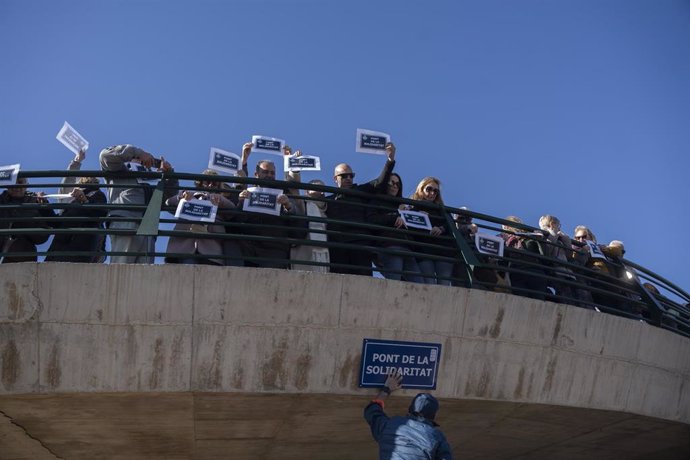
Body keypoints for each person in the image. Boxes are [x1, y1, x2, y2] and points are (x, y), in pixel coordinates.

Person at [99, 144, 178, 264]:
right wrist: (138, 152)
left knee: (145, 275)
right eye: (137, 159)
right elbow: (105, 156)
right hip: (125, 221)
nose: (141, 162)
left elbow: (168, 200)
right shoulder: (118, 170)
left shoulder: (149, 182)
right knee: (121, 268)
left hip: (149, 227)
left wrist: (169, 176)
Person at [326, 143, 396, 276]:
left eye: (351, 175)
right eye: (344, 176)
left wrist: (390, 160)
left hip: (360, 243)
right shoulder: (328, 198)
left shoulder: (360, 191)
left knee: (363, 282)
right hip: (337, 245)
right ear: (335, 179)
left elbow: (380, 182)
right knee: (338, 281)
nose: (348, 178)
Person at [364, 372, 453, 460]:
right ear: (432, 416)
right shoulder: (436, 436)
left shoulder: (389, 426)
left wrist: (387, 389)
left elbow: (372, 411)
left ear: (410, 409)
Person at [237, 142, 299, 269]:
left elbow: (296, 221)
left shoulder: (283, 192)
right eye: (266, 172)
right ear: (256, 174)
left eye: (272, 173)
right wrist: (241, 202)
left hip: (275, 250)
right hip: (250, 249)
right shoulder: (248, 192)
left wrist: (288, 205)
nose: (270, 176)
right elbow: (237, 219)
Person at [164, 170, 239, 266]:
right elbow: (168, 203)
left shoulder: (220, 201)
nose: (211, 185)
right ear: (200, 184)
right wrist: (181, 197)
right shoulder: (189, 196)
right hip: (184, 248)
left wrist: (220, 200)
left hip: (211, 250)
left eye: (215, 183)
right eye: (207, 182)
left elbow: (233, 211)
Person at [46, 149, 108, 262]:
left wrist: (84, 200)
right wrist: (44, 204)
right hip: (60, 247)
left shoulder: (96, 194)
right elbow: (57, 222)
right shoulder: (71, 198)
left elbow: (100, 212)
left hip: (82, 247)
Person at [369, 172, 422, 282]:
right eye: (391, 182)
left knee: (420, 286)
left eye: (398, 184)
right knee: (395, 284)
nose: (395, 186)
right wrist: (395, 216)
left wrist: (418, 216)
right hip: (390, 245)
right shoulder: (377, 201)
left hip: (407, 247)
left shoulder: (404, 204)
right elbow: (373, 219)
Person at [408, 177, 454, 286]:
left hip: (443, 251)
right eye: (429, 189)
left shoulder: (442, 209)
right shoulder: (412, 206)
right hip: (423, 250)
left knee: (444, 285)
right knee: (429, 284)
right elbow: (409, 225)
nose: (432, 193)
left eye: (435, 191)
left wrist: (441, 229)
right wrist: (419, 216)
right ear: (421, 189)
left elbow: (450, 225)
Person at [0, 177, 55, 263]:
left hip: (23, 257)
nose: (16, 186)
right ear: (6, 185)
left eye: (20, 182)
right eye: (13, 182)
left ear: (27, 185)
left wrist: (44, 207)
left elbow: (41, 238)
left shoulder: (37, 201)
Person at [538, 215, 576, 303]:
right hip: (556, 273)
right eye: (558, 225)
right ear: (552, 224)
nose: (559, 228)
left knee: (572, 298)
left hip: (568, 274)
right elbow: (547, 252)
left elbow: (569, 256)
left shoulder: (560, 239)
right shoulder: (543, 235)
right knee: (563, 299)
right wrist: (553, 235)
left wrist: (567, 241)